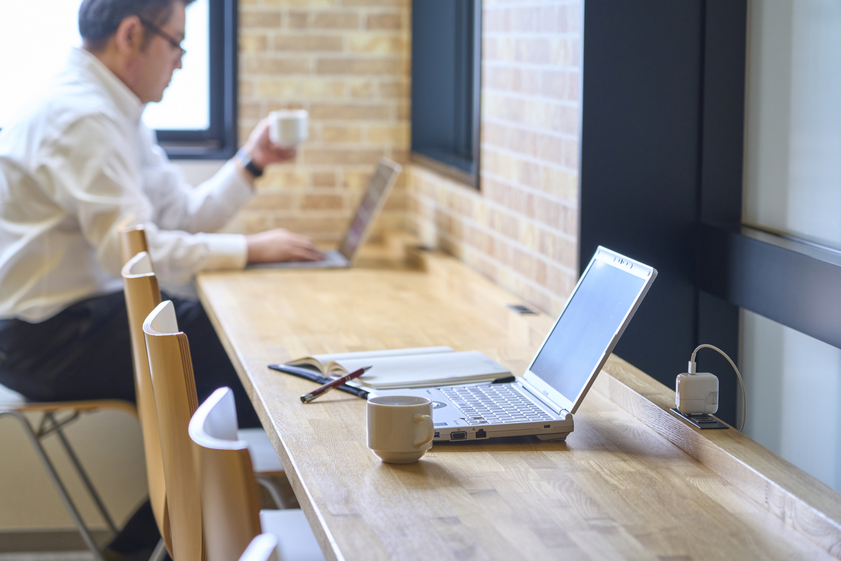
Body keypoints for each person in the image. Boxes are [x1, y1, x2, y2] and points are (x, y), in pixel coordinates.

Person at [0, 0, 318, 553]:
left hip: (70, 321)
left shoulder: (114, 110)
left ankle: (152, 544)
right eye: (177, 44)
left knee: (240, 360)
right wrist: (251, 249)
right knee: (249, 367)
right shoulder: (81, 118)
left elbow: (181, 218)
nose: (181, 63)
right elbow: (139, 253)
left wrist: (252, 161)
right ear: (130, 34)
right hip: (42, 338)